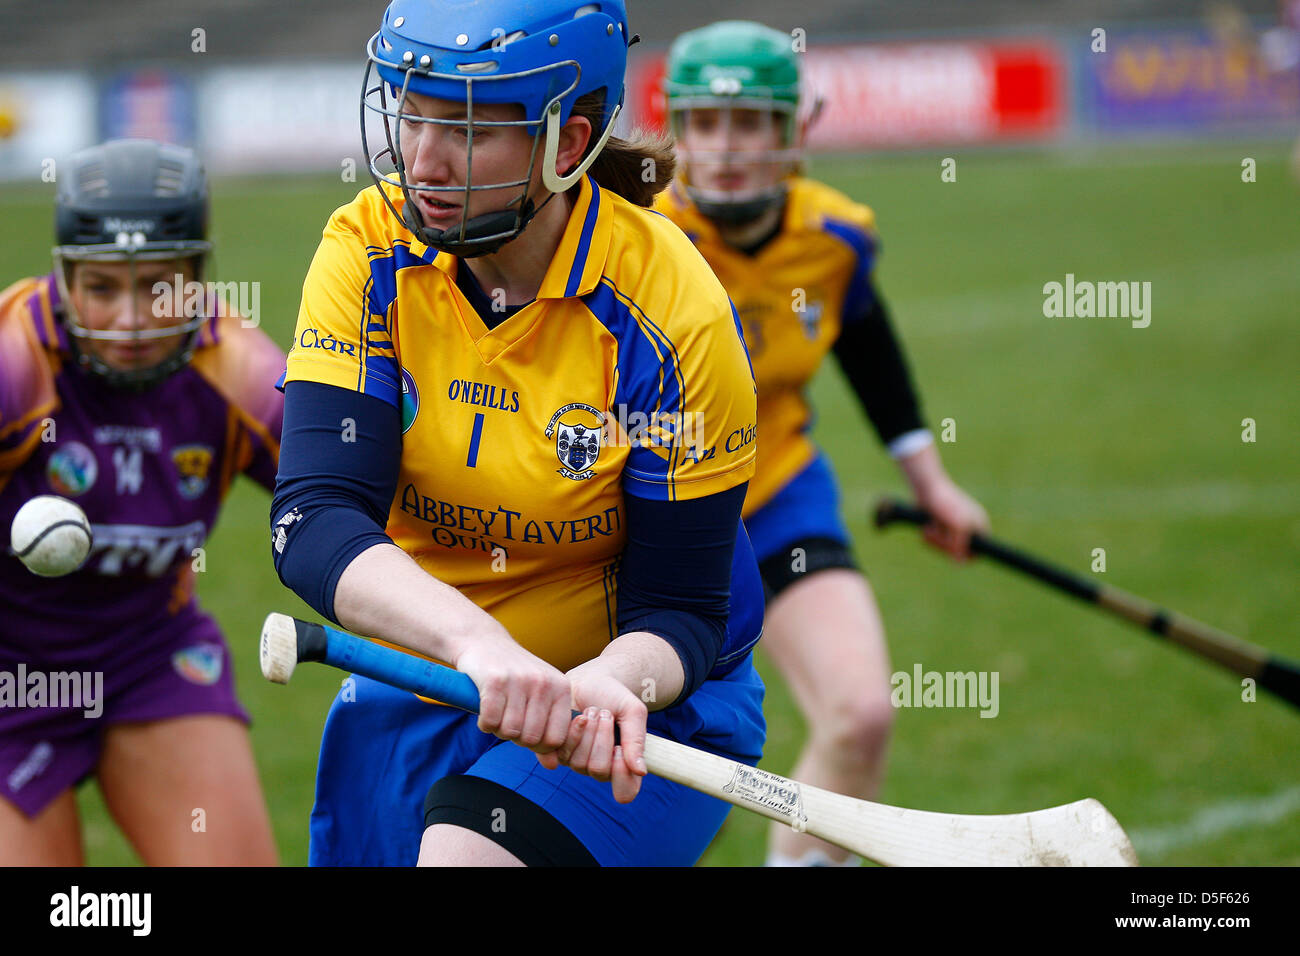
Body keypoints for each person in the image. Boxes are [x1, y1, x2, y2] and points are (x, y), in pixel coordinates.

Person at [271, 0, 765, 867]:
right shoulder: (368, 253)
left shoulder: (671, 308)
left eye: (463, 126)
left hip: (634, 710)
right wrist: (480, 647)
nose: (422, 159)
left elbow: (684, 608)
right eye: (412, 111)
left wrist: (610, 684)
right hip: (422, 683)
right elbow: (313, 517)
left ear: (565, 145)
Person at [654, 21, 990, 867]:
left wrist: (933, 486)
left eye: (751, 123)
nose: (726, 148)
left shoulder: (836, 237)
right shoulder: (636, 237)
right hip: (646, 518)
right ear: (676, 130)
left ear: (794, 131)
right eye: (704, 123)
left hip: (774, 496)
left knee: (861, 714)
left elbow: (876, 368)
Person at [0, 138, 282, 865]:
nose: (128, 320)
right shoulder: (12, 361)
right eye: (100, 287)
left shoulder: (241, 371)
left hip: (149, 659)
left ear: (196, 277)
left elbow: (354, 504)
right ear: (63, 278)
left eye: (157, 286)